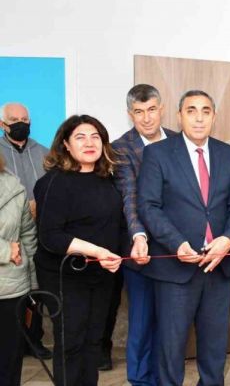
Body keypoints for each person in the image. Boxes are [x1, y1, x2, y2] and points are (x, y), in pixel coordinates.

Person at [137, 90, 230, 386]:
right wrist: (177, 243)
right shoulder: (157, 153)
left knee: (215, 348)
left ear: (214, 116)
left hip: (218, 267)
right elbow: (148, 206)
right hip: (176, 268)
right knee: (171, 347)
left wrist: (228, 240)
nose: (199, 118)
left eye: (205, 111)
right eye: (191, 110)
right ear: (179, 116)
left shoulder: (228, 154)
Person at [33, 115, 124, 386]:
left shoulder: (108, 180)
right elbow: (51, 236)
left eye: (95, 137)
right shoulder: (54, 182)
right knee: (71, 344)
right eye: (80, 137)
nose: (89, 143)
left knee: (94, 341)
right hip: (65, 277)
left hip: (102, 274)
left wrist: (119, 254)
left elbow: (116, 226)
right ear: (66, 145)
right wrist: (97, 252)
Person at [112, 84, 177, 384]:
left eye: (151, 110)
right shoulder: (120, 148)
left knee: (170, 324)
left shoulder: (179, 140)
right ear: (130, 114)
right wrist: (139, 236)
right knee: (141, 321)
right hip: (141, 250)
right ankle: (139, 380)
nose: (147, 118)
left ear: (161, 109)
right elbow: (130, 196)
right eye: (139, 112)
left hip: (176, 248)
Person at [0, 102, 51, 360]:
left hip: (39, 231)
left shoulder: (44, 153)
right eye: (14, 120)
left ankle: (34, 339)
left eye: (25, 119)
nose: (21, 124)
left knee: (35, 288)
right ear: (3, 124)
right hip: (9, 235)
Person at [0, 153, 38, 386]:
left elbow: (27, 236)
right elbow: (12, 247)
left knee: (10, 363)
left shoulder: (13, 185)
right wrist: (6, 250)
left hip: (13, 288)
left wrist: (32, 285)